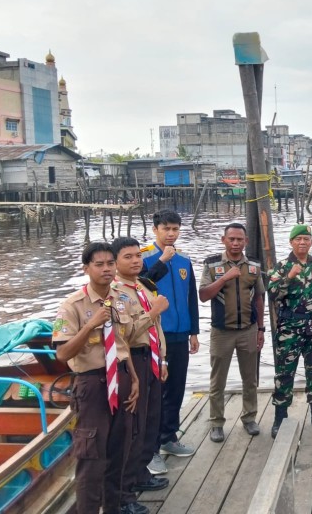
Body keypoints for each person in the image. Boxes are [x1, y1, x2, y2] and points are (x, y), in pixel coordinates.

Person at [52, 242, 140, 514]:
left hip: (122, 380)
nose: (106, 269)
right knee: (91, 458)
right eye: (99, 264)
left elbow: (123, 344)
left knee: (117, 454)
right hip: (93, 385)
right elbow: (62, 353)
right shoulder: (72, 306)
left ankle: (112, 508)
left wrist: (134, 379)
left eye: (109, 264)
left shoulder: (120, 297)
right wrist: (90, 324)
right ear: (86, 268)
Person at [112, 237, 170, 511]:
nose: (136, 261)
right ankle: (122, 494)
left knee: (150, 422)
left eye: (138, 255)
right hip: (132, 362)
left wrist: (163, 360)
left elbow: (155, 330)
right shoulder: (115, 293)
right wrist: (154, 311)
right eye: (128, 257)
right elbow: (125, 334)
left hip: (152, 359)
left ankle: (139, 473)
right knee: (131, 428)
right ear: (115, 262)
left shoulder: (142, 287)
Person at [140, 209, 200, 472]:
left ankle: (169, 437)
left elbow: (191, 298)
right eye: (166, 229)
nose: (171, 234)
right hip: (155, 336)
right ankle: (150, 448)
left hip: (180, 333)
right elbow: (141, 285)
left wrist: (194, 332)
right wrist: (162, 261)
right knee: (156, 392)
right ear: (155, 230)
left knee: (176, 387)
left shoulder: (185, 260)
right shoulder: (144, 258)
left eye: (175, 229)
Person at [200, 222, 265, 441]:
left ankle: (249, 418)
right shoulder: (211, 264)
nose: (236, 243)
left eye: (240, 239)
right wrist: (225, 278)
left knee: (250, 379)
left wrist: (261, 329)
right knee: (217, 381)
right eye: (231, 239)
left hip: (248, 329)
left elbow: (259, 297)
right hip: (222, 332)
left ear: (246, 241)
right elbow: (203, 295)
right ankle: (216, 422)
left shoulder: (254, 265)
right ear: (224, 240)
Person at [268, 224, 312, 437]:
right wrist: (289, 278)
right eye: (298, 239)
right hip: (289, 330)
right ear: (291, 242)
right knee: (285, 373)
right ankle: (280, 417)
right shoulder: (282, 266)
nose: (302, 242)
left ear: (311, 242)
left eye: (306, 239)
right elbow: (272, 294)